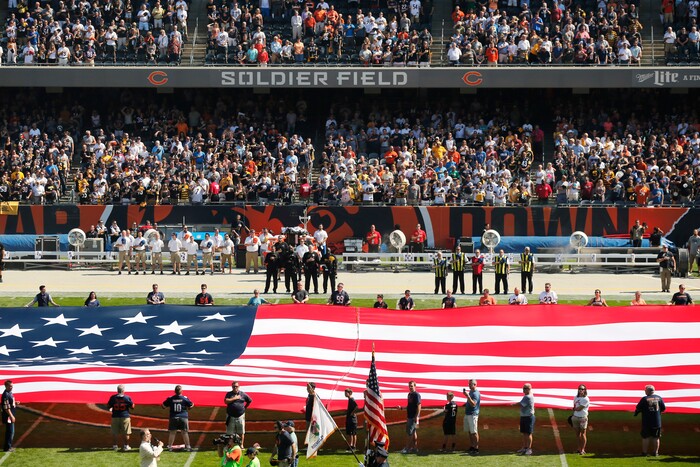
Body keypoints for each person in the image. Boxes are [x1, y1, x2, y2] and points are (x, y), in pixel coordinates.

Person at [634, 385, 666, 457]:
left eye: (645, 390)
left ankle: (644, 453)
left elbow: (638, 408)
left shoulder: (644, 399)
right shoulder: (659, 398)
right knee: (656, 437)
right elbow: (663, 408)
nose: (645, 391)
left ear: (648, 391)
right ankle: (655, 452)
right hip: (657, 421)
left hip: (647, 422)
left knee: (645, 437)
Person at [162, 384, 194, 451]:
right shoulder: (184, 398)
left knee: (172, 433)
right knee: (184, 432)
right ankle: (188, 446)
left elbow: (163, 406)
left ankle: (170, 447)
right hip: (183, 417)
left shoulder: (171, 398)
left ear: (175, 391)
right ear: (181, 391)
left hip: (173, 417)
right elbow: (191, 405)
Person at [224, 381, 253, 447]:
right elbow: (226, 401)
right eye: (233, 386)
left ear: (239, 387)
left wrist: (244, 408)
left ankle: (241, 445)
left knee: (241, 432)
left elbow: (249, 400)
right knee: (229, 432)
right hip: (230, 416)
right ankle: (230, 445)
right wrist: (235, 398)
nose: (235, 388)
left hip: (240, 416)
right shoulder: (229, 394)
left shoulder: (242, 394)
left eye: (236, 386)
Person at [107, 384, 135, 451]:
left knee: (115, 432)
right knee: (126, 432)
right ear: (123, 390)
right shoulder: (127, 398)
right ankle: (126, 446)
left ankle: (115, 446)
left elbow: (108, 405)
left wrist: (112, 407)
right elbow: (132, 406)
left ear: (117, 390)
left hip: (115, 416)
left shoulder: (113, 397)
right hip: (125, 416)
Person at [401, 380, 421, 454]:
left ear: (415, 386)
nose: (410, 387)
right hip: (410, 416)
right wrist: (402, 408)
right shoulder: (409, 394)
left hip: (413, 417)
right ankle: (415, 448)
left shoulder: (416, 395)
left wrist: (417, 416)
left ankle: (407, 448)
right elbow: (409, 406)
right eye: (409, 386)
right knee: (414, 432)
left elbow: (419, 405)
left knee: (409, 432)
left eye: (412, 386)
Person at [514, 383, 535, 456]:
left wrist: (512, 404)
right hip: (524, 416)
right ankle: (525, 447)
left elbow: (521, 404)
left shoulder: (528, 397)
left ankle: (529, 449)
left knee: (528, 433)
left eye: (525, 388)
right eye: (523, 388)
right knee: (524, 433)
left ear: (529, 389)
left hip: (528, 417)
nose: (523, 390)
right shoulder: (528, 395)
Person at [463, 379, 481, 455]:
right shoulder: (471, 392)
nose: (469, 385)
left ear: (475, 385)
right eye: (468, 384)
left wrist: (467, 396)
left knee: (474, 432)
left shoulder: (476, 393)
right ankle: (472, 446)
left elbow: (473, 404)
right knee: (470, 431)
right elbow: (470, 402)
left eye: (470, 384)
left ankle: (476, 448)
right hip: (468, 414)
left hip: (473, 414)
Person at [572, 384, 590, 455]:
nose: (581, 390)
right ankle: (579, 448)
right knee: (577, 434)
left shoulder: (586, 399)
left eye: (582, 389)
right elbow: (574, 406)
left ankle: (583, 449)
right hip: (575, 417)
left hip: (582, 417)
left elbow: (579, 408)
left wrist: (574, 409)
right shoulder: (576, 397)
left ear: (585, 390)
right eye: (580, 389)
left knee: (583, 434)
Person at [2, 380, 18, 452]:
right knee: (10, 432)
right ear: (6, 386)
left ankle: (8, 446)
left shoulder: (9, 393)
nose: (12, 387)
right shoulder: (5, 395)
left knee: (11, 431)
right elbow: (6, 408)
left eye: (12, 386)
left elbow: (10, 403)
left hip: (10, 414)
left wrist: (15, 402)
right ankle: (7, 447)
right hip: (8, 416)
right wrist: (11, 416)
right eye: (10, 386)